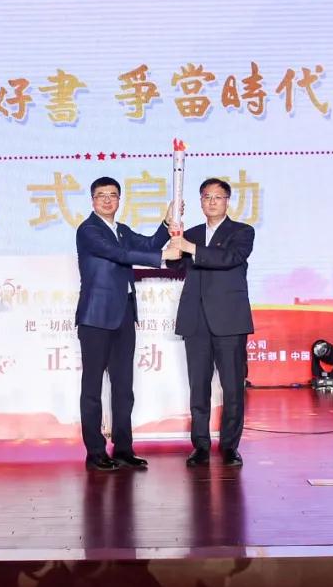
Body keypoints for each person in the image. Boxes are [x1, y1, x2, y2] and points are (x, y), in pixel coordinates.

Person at [75, 176, 176, 471]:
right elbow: (118, 255)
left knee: (123, 387)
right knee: (92, 388)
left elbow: (149, 243)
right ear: (93, 200)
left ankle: (123, 448)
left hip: (123, 316)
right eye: (102, 195)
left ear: (119, 200)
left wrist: (166, 222)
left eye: (113, 195)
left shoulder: (121, 230)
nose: (108, 200)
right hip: (95, 318)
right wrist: (162, 257)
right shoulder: (89, 230)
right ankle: (95, 452)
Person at [167, 178, 255, 468]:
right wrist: (172, 235)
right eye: (207, 197)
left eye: (218, 197)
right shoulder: (191, 234)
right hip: (196, 320)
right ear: (201, 201)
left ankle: (230, 446)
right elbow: (174, 264)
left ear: (227, 201)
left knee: (232, 388)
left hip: (229, 321)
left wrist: (190, 247)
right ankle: (201, 445)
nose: (212, 202)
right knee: (199, 387)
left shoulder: (242, 232)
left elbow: (229, 258)